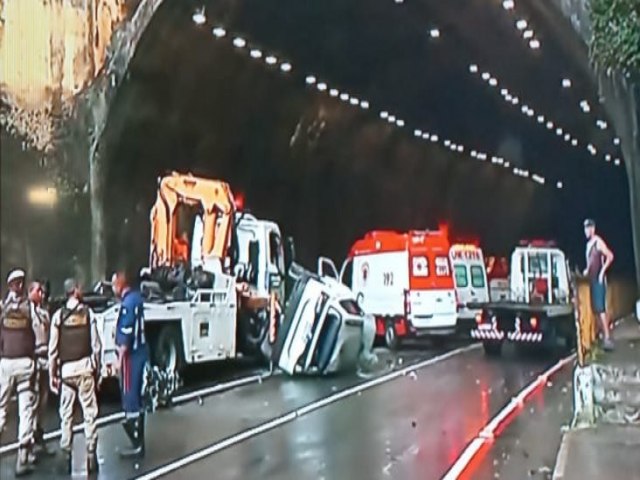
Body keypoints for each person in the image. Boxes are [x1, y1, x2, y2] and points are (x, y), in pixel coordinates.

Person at [49, 278, 101, 474]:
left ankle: (66, 452)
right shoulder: (88, 313)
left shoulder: (58, 316)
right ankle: (90, 454)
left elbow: (53, 350)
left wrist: (52, 373)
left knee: (66, 414)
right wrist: (98, 369)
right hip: (85, 368)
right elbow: (96, 346)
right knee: (89, 413)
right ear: (75, 291)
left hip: (66, 371)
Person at [0, 268, 36, 476]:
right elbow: (37, 335)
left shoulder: (3, 309)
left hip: (6, 363)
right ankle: (22, 457)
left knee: (2, 406)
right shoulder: (29, 309)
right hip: (24, 363)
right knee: (25, 410)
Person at [112, 268, 149, 458]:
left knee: (130, 396)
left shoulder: (128, 304)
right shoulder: (137, 299)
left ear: (121, 283)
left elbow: (126, 332)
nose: (112, 288)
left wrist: (119, 359)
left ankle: (137, 443)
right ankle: (138, 441)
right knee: (135, 396)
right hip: (140, 353)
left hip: (131, 357)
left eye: (113, 284)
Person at [28, 281, 55, 459]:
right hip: (34, 360)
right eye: (38, 291)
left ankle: (39, 436)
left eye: (43, 292)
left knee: (43, 402)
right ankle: (29, 443)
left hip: (46, 360)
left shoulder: (44, 313)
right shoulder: (26, 313)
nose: (42, 294)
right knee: (32, 402)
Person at [583, 218, 615, 351]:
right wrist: (586, 271)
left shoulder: (598, 242)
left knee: (601, 309)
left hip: (599, 280)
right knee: (596, 309)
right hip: (592, 279)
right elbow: (590, 263)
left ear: (593, 229)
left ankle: (607, 338)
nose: (587, 231)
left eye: (589, 228)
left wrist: (602, 272)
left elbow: (610, 256)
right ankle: (601, 336)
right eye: (585, 228)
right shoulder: (588, 244)